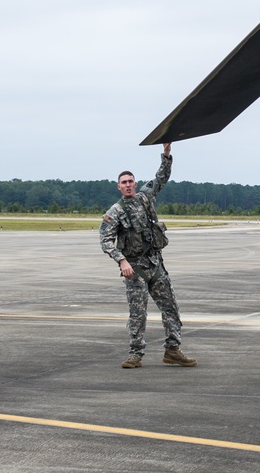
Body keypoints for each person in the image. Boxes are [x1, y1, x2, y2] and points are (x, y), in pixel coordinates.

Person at [99, 143, 197, 369]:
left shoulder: (145, 197)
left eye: (131, 181)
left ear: (135, 183)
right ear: (119, 187)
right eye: (124, 182)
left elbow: (161, 178)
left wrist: (166, 154)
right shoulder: (115, 212)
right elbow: (105, 240)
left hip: (155, 264)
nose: (128, 185)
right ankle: (135, 353)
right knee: (138, 313)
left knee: (171, 307)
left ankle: (173, 349)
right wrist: (121, 260)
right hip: (135, 268)